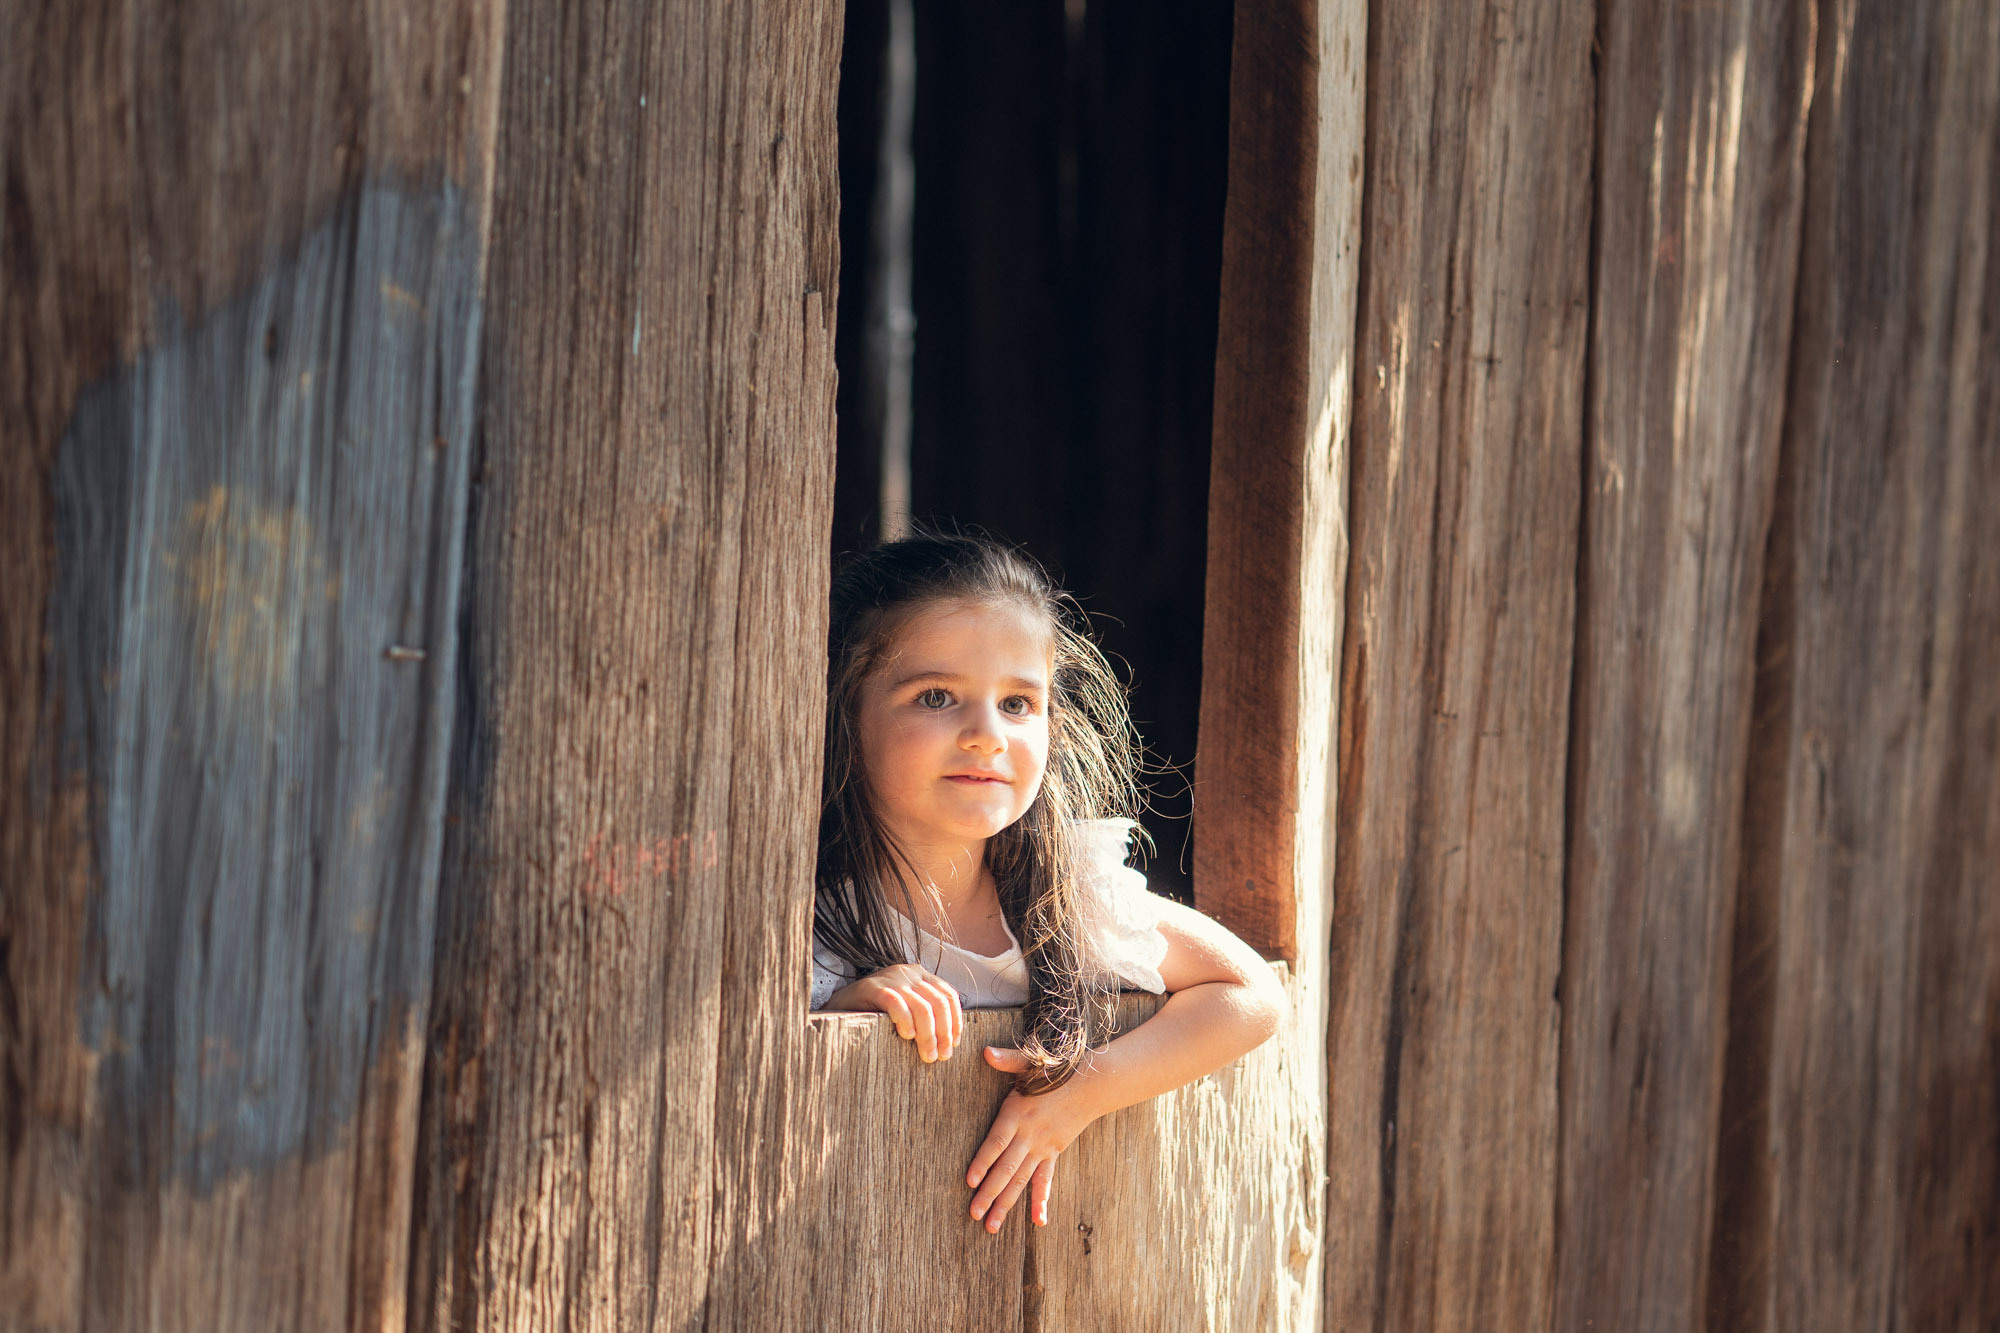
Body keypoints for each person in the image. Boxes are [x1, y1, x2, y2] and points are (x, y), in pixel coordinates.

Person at [810, 532, 1286, 1235]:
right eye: (936, 696)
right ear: (844, 712)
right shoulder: (811, 929)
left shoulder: (1067, 902)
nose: (987, 734)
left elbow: (1252, 994)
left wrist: (1082, 1092)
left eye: (1017, 703)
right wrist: (843, 1010)